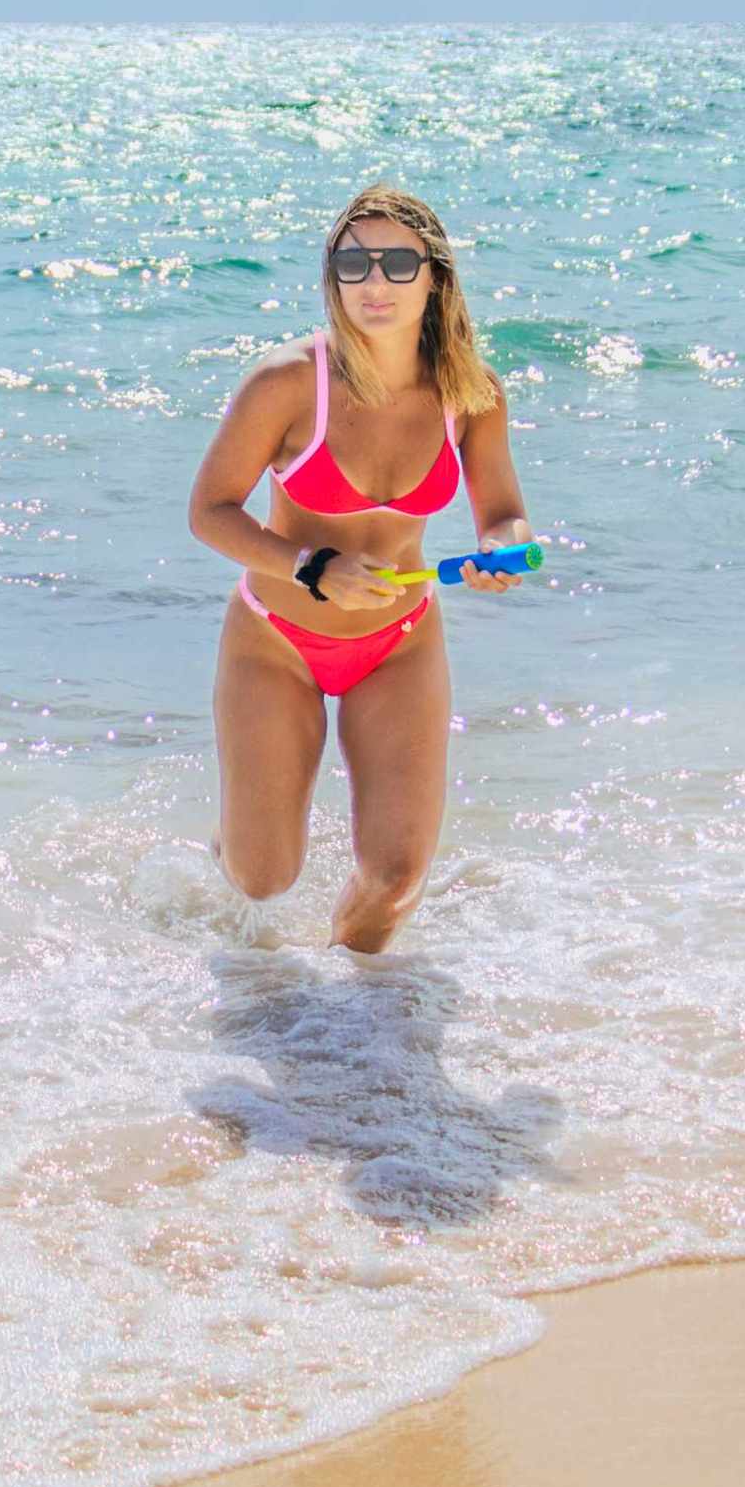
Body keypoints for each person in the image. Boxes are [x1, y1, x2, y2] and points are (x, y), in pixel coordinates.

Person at [187, 183, 533, 952]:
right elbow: (209, 510)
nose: (373, 282)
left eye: (396, 262)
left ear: (435, 277)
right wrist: (311, 568)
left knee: (395, 879)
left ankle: (351, 1041)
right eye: (354, 262)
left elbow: (502, 510)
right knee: (262, 876)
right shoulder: (286, 382)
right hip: (275, 637)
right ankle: (234, 842)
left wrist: (503, 551)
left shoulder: (469, 392)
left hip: (400, 642)